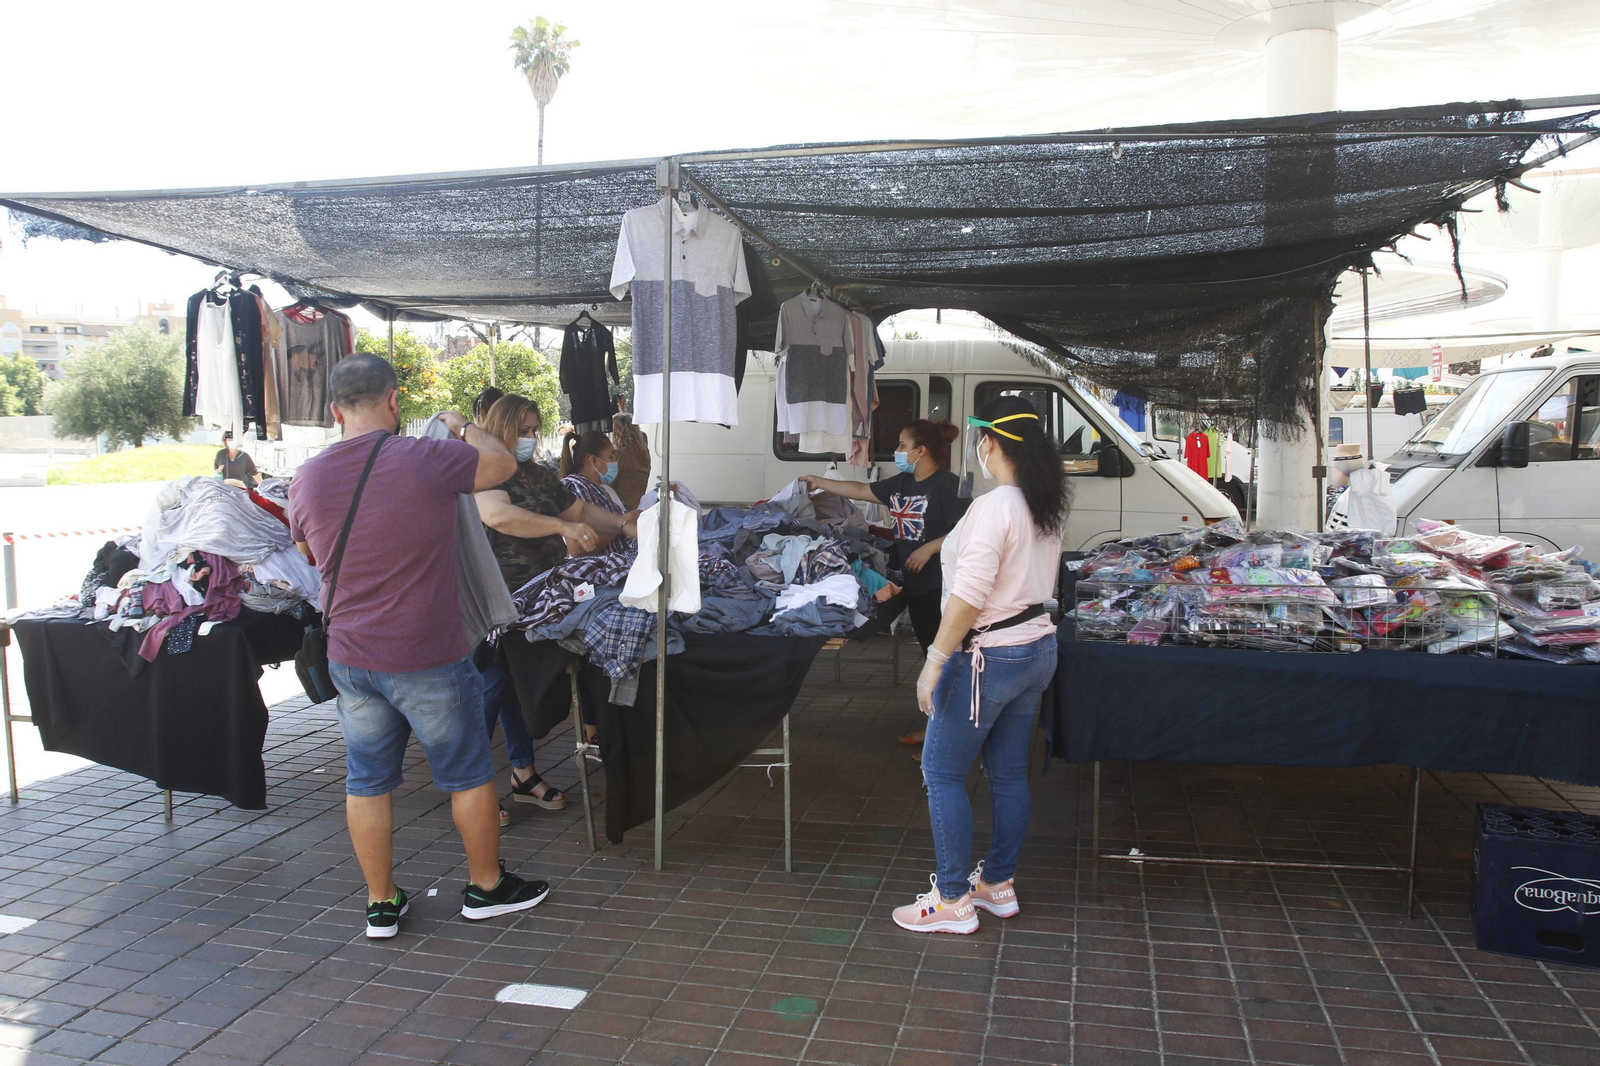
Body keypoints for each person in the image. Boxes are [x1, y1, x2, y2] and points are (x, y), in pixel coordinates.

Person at [286, 354, 550, 939]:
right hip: (428, 651)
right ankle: (487, 888)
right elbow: (502, 463)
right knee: (467, 774)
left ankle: (381, 902)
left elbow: (304, 550)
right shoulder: (425, 457)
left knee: (367, 779)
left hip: (350, 656)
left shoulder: (305, 478)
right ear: (395, 400)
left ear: (334, 411)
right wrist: (461, 424)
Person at [891, 397, 1068, 934]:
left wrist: (934, 661)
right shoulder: (1044, 503)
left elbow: (968, 596)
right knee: (1008, 774)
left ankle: (951, 899)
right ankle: (996, 885)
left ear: (987, 441)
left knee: (941, 771)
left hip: (988, 655)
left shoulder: (995, 506)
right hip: (1036, 650)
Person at [474, 395, 638, 807]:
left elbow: (580, 508)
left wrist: (621, 523)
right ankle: (473, 792)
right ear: (501, 428)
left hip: (535, 600)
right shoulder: (480, 473)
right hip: (497, 603)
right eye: (523, 431)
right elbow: (498, 516)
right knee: (488, 692)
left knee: (516, 686)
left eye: (534, 430)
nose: (530, 438)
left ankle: (523, 774)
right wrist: (561, 526)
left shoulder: (539, 475)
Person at [803, 418, 967, 750]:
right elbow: (862, 490)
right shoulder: (903, 483)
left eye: (903, 446)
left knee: (946, 662)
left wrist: (929, 546)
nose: (897, 452)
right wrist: (819, 482)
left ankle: (949, 738)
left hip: (942, 589)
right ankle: (939, 731)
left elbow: (967, 530)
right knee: (931, 656)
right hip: (918, 588)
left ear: (921, 451)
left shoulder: (948, 486)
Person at [558, 430, 637, 557]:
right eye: (610, 457)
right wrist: (621, 524)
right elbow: (577, 549)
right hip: (601, 569)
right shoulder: (575, 489)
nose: (614, 462)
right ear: (594, 461)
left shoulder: (606, 490)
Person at [610, 398, 651, 511]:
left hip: (623, 508)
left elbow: (609, 483)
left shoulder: (620, 455)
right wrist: (622, 410)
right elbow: (629, 427)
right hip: (638, 506)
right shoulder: (644, 452)